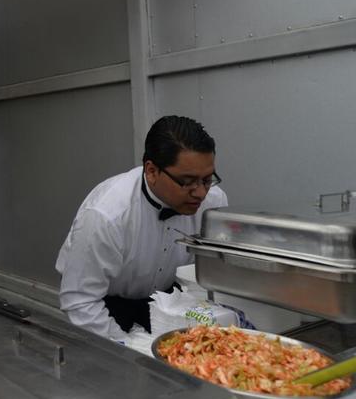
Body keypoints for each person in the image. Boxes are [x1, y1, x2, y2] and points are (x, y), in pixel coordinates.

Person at [55, 116, 227, 340]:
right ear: (152, 170)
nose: (200, 193)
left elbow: (211, 274)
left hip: (169, 305)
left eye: (206, 179)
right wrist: (131, 351)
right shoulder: (107, 215)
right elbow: (80, 301)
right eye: (187, 181)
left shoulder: (213, 204)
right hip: (106, 309)